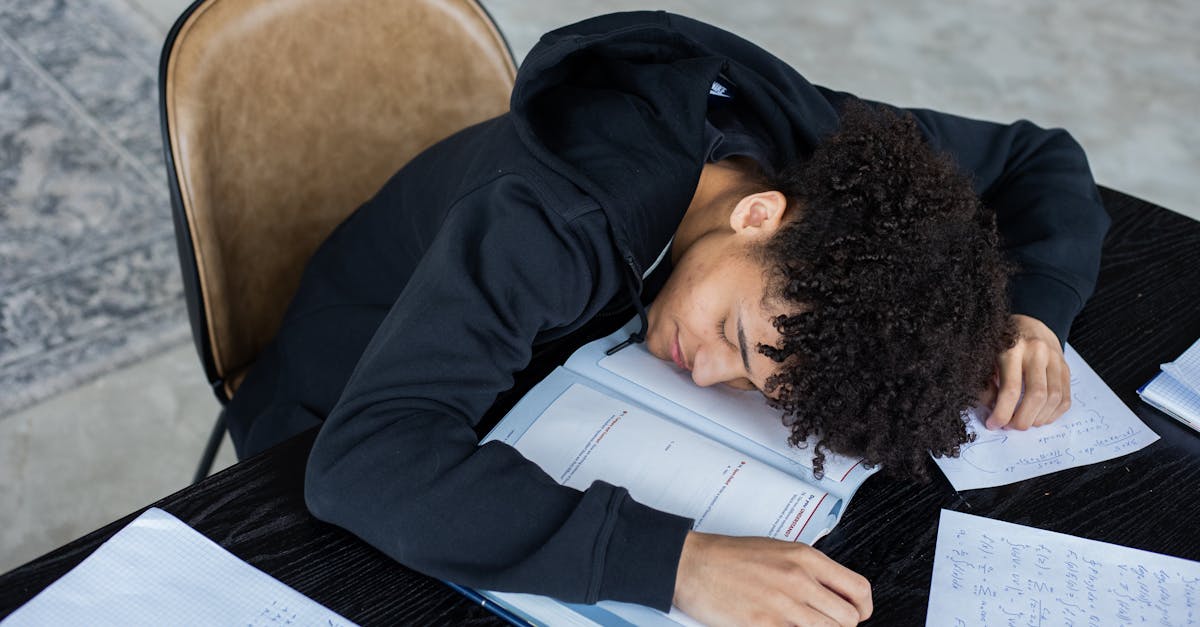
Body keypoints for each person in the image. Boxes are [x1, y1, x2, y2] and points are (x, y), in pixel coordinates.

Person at [223, 11, 1108, 625]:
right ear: (760, 214)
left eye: (763, 388)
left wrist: (1031, 317)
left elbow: (1041, 160)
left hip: (542, 382)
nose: (710, 372)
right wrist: (682, 564)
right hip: (326, 409)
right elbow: (361, 463)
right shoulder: (548, 223)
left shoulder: (823, 168)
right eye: (737, 336)